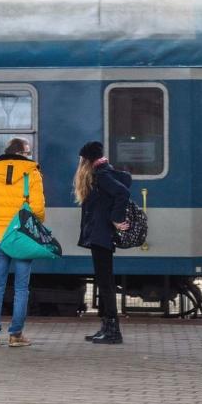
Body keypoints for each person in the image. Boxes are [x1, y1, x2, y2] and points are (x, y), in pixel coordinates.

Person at [0, 137, 44, 347]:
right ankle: (15, 335)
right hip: (22, 237)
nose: (30, 156)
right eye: (28, 152)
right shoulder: (32, 174)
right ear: (21, 153)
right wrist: (29, 223)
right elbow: (39, 209)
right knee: (21, 288)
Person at [74, 141, 130, 345]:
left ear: (87, 160)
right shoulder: (103, 172)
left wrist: (116, 219)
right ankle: (107, 327)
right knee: (104, 281)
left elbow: (122, 192)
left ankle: (113, 331)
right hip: (101, 235)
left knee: (106, 283)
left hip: (101, 235)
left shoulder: (101, 175)